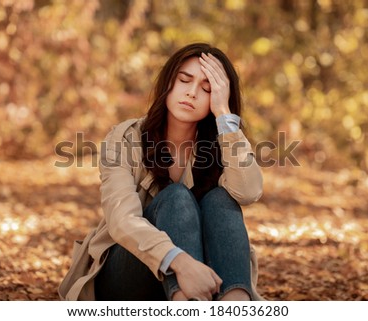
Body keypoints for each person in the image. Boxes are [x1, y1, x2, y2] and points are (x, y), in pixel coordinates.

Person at [58, 43, 264, 301]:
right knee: (176, 197)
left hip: (206, 280)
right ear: (168, 83)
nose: (191, 93)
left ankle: (234, 304)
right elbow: (121, 221)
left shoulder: (223, 143)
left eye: (207, 89)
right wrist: (180, 261)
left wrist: (224, 116)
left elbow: (249, 192)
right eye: (184, 80)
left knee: (222, 200)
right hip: (130, 273)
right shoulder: (124, 138)